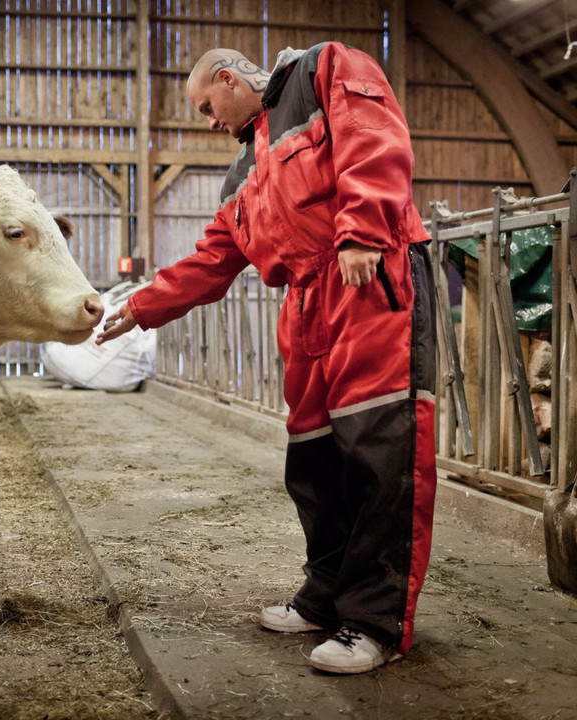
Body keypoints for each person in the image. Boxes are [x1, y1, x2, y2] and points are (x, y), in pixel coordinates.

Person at [96, 42, 437, 675]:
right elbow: (213, 260)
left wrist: (362, 230)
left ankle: (374, 622)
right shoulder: (242, 171)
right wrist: (141, 307)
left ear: (228, 79)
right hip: (306, 301)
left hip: (367, 275)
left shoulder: (321, 70)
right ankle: (326, 595)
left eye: (207, 107)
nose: (209, 122)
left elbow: (372, 135)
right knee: (314, 459)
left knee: (380, 449)